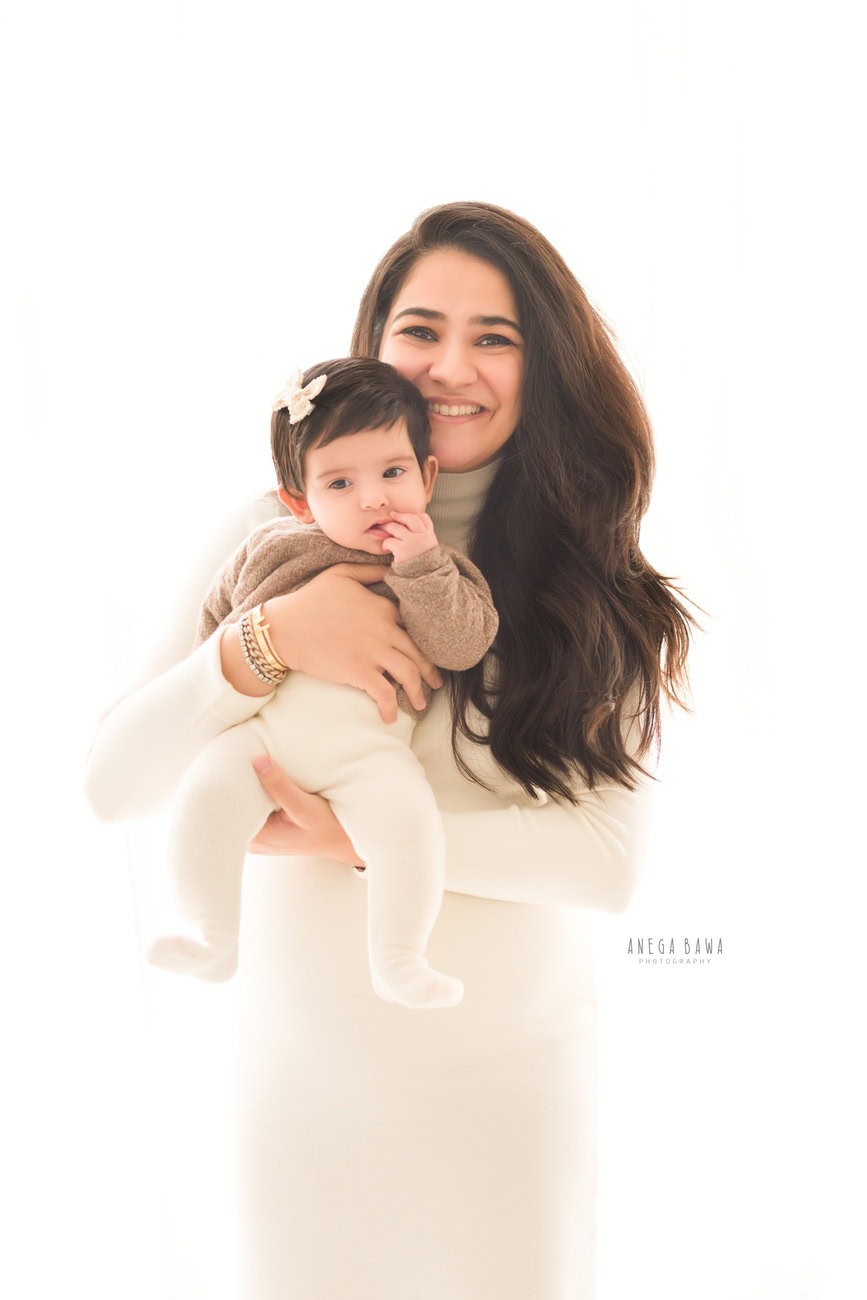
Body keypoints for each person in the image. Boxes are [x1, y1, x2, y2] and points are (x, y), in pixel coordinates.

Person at [85, 200, 699, 1299]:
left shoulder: (588, 575)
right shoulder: (267, 536)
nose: (450, 366)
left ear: (543, 363)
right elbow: (113, 784)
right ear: (372, 346)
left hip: (507, 1098)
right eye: (421, 329)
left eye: (495, 336)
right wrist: (264, 643)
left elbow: (606, 866)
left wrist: (352, 837)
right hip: (303, 1091)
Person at [147, 357, 498, 1009]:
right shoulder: (273, 549)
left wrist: (420, 564)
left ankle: (399, 956)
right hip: (262, 736)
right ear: (299, 500)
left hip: (370, 756)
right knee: (204, 795)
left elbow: (463, 644)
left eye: (392, 472)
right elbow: (217, 630)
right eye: (341, 482)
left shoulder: (441, 568)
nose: (373, 497)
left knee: (409, 828)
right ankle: (211, 933)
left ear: (426, 476)